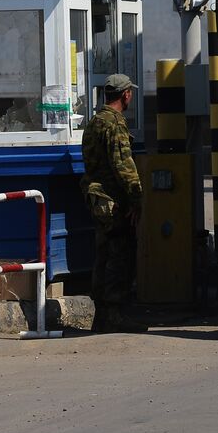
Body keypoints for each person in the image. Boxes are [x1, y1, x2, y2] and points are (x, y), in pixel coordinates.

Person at [81, 73, 144, 333]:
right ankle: (115, 314)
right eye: (131, 93)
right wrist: (136, 198)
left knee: (103, 254)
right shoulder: (115, 124)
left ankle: (102, 314)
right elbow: (123, 165)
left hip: (97, 199)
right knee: (121, 255)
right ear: (125, 94)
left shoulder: (95, 121)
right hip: (114, 201)